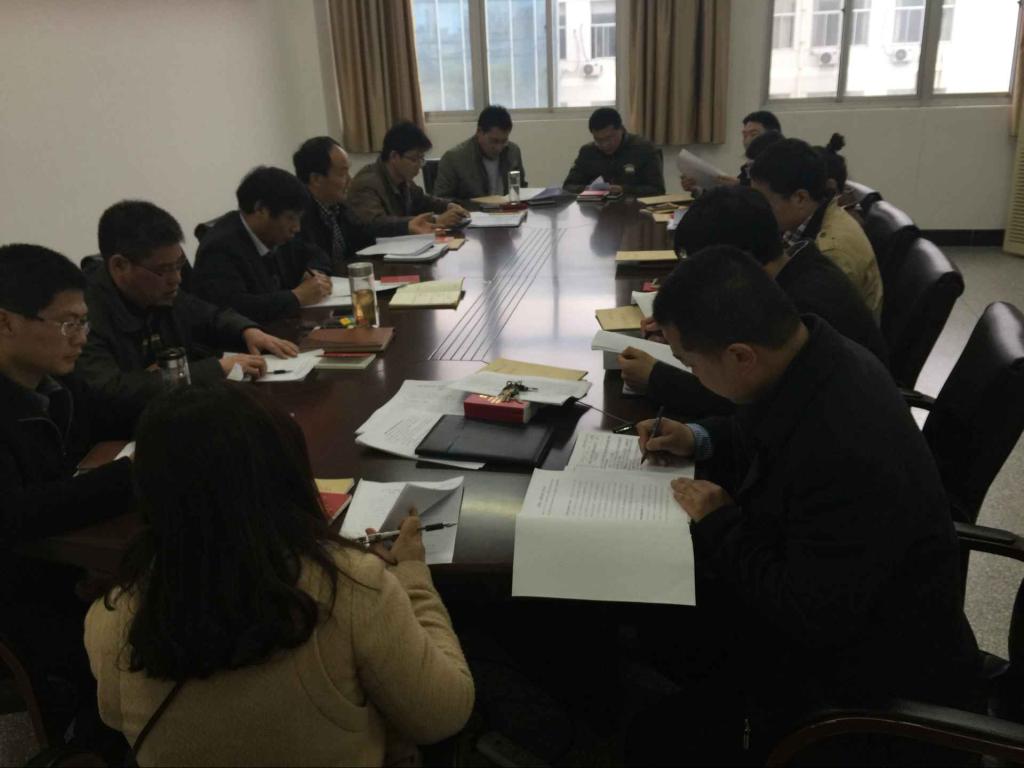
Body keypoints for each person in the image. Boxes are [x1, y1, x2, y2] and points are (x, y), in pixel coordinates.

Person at [628, 247, 978, 764]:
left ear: (741, 356)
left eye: (691, 364)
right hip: (836, 603)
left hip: (864, 681)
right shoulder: (812, 355)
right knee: (648, 615)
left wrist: (721, 521)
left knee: (640, 641)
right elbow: (760, 428)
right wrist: (699, 437)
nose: (693, 376)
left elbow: (807, 613)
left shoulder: (844, 446)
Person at [85, 383, 474, 765]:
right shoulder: (350, 586)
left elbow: (116, 717)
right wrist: (412, 577)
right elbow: (444, 714)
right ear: (287, 475)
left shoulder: (112, 618)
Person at [0, 243, 136, 752]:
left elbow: (118, 413)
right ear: (5, 322)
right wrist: (127, 478)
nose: (81, 338)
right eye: (67, 324)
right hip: (20, 594)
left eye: (84, 322)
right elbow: (14, 514)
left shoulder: (56, 382)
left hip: (68, 560)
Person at [618, 186, 888, 420]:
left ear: (738, 259)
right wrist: (685, 330)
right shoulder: (794, 267)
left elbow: (751, 404)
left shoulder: (805, 306)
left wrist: (657, 378)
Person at [79, 201, 297, 408]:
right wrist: (214, 369)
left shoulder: (161, 292)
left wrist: (247, 331)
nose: (177, 278)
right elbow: (109, 389)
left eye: (179, 265)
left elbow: (209, 315)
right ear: (119, 266)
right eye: (163, 270)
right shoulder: (82, 314)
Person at [750, 137, 883, 320]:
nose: (758, 209)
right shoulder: (807, 217)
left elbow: (808, 320)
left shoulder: (832, 252)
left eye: (764, 202)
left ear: (800, 198)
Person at [191, 166, 333, 321]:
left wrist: (313, 272)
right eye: (291, 218)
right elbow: (233, 308)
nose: (297, 227)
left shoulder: (276, 234)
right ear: (260, 209)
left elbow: (316, 254)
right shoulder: (219, 249)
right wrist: (296, 297)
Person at [347, 120, 469, 236]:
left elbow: (423, 200)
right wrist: (434, 220)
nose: (419, 165)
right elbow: (376, 224)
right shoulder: (366, 183)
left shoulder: (403, 179)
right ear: (394, 156)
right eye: (414, 159)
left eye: (421, 158)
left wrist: (449, 206)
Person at [292, 136, 376, 272]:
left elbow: (366, 234)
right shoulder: (297, 216)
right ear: (316, 179)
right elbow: (315, 262)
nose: (350, 180)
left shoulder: (339, 206)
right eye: (342, 174)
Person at [562, 107, 665, 196]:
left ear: (621, 129)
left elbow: (658, 190)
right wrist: (588, 189)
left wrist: (623, 190)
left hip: (634, 209)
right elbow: (568, 186)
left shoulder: (644, 149)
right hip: (596, 209)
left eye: (609, 138)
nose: (604, 145)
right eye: (598, 140)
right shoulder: (588, 152)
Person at [433, 105, 527, 202]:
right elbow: (442, 200)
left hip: (508, 209)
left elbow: (521, 189)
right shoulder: (454, 159)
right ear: (479, 132)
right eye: (494, 141)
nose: (499, 148)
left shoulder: (512, 152)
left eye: (504, 141)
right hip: (472, 210)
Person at [680, 110, 782, 192]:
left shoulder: (781, 164)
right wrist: (697, 188)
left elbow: (766, 196)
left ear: (772, 135)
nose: (747, 141)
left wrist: (737, 184)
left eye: (753, 135)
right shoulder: (749, 166)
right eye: (744, 135)